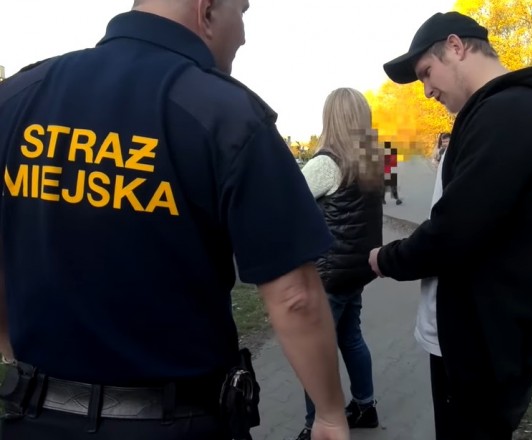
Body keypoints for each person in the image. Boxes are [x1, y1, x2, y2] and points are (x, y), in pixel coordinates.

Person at [0, 1, 349, 439]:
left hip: (34, 419)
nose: (244, 34)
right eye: (241, 11)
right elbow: (295, 296)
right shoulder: (228, 114)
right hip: (178, 423)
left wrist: (13, 354)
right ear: (206, 10)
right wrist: (331, 414)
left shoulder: (18, 97)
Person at [370, 11, 532, 440]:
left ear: (456, 47)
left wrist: (382, 259)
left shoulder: (511, 112)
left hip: (482, 345)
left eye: (427, 72)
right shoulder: (494, 112)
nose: (426, 91)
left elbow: (454, 230)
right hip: (470, 337)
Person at [295, 88, 384, 440]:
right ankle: (365, 405)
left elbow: (290, 201)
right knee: (351, 338)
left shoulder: (325, 164)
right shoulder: (372, 160)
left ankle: (313, 424)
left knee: (315, 352)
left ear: (330, 118)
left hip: (327, 275)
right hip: (357, 270)